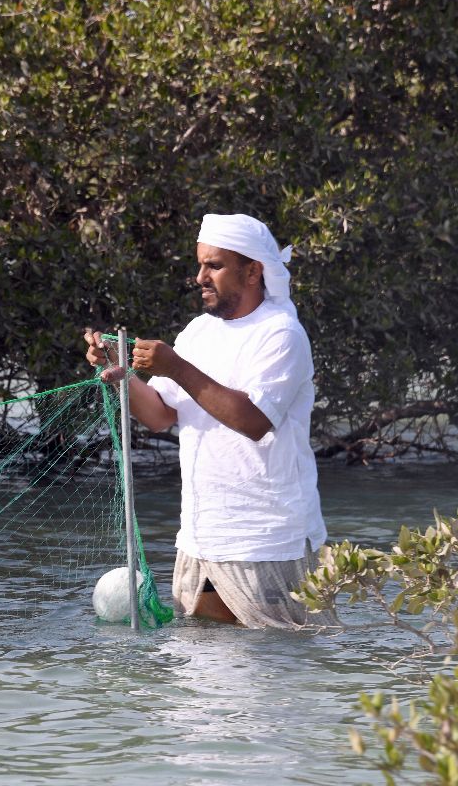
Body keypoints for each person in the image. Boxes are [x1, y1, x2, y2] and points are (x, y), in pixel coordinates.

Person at [84, 213, 326, 628]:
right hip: (199, 540)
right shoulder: (198, 332)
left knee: (274, 677)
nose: (200, 277)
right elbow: (160, 415)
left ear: (253, 272)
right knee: (201, 683)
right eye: (199, 265)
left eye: (214, 266)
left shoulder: (281, 333)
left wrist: (175, 367)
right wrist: (122, 374)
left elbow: (254, 421)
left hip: (267, 543)